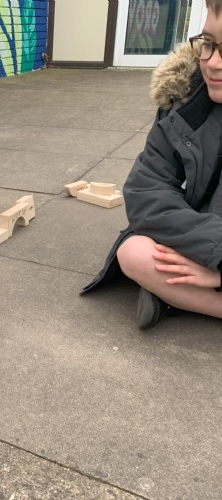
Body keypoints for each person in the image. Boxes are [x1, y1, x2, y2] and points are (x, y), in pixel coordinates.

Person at [82, 0, 222, 330]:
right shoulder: (184, 104)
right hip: (198, 240)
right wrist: (213, 254)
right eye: (209, 43)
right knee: (134, 253)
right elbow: (147, 192)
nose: (214, 62)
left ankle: (174, 300)